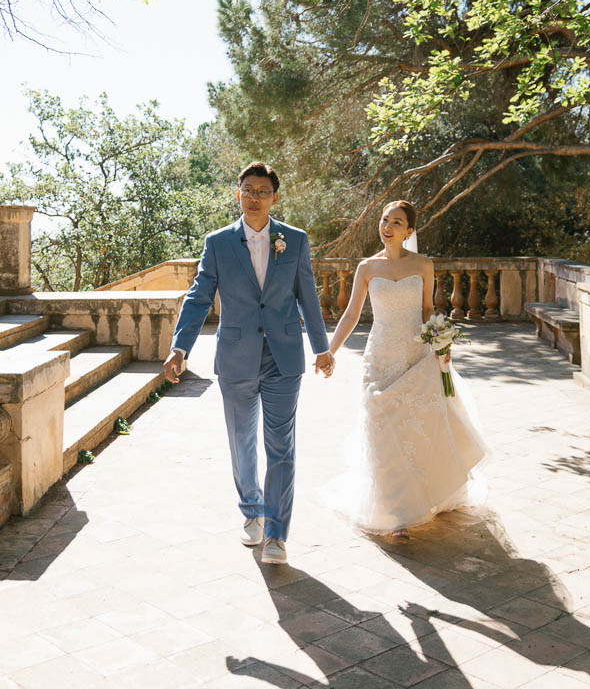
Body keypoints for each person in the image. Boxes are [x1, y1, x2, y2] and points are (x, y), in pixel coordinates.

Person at [163, 161, 334, 565]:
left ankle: (276, 533)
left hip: (283, 358)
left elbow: (307, 294)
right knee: (242, 444)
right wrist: (180, 347)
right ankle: (251, 511)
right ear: (238, 194)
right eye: (248, 189)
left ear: (274, 197)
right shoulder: (218, 243)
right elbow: (199, 296)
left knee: (281, 447)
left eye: (262, 191)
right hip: (236, 359)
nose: (254, 197)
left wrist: (321, 347)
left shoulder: (294, 239)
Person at [328, 200, 487, 536]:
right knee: (383, 430)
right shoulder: (367, 268)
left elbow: (428, 308)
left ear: (410, 231)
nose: (388, 227)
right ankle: (396, 512)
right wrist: (330, 351)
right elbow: (351, 314)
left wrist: (440, 343)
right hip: (381, 357)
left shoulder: (423, 265)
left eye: (397, 222)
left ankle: (419, 498)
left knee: (415, 429)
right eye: (385, 220)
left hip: (416, 356)